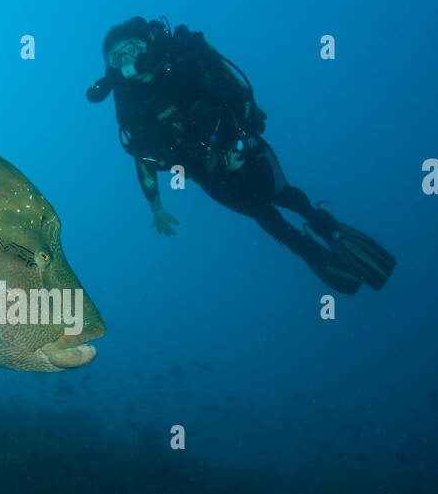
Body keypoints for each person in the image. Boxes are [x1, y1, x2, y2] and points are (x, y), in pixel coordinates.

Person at [86, 17, 395, 294]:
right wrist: (156, 208)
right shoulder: (130, 104)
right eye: (116, 57)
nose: (126, 60)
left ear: (147, 45)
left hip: (245, 151)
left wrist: (235, 142)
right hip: (208, 174)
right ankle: (309, 251)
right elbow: (143, 158)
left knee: (285, 195)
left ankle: (326, 226)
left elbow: (236, 96)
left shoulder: (184, 65)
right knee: (264, 216)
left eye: (131, 49)